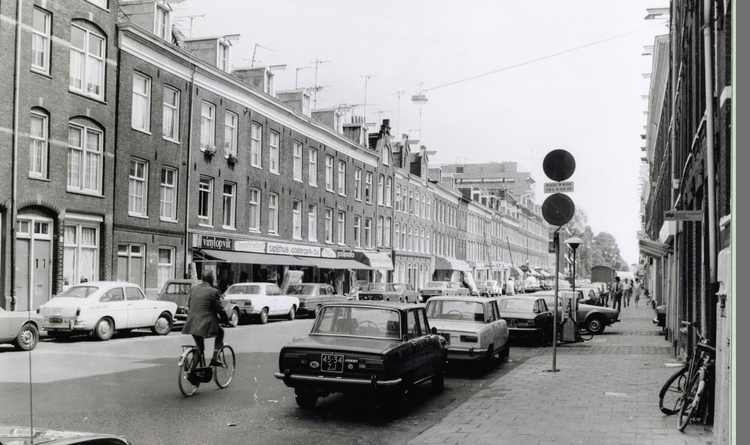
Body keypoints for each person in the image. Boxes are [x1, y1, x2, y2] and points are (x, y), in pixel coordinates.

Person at [182, 270, 229, 366]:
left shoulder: (193, 289)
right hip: (205, 324)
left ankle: (192, 370)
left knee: (199, 347)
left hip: (191, 323)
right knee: (221, 333)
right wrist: (227, 321)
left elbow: (190, 305)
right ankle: (214, 358)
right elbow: (220, 309)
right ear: (211, 280)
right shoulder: (213, 291)